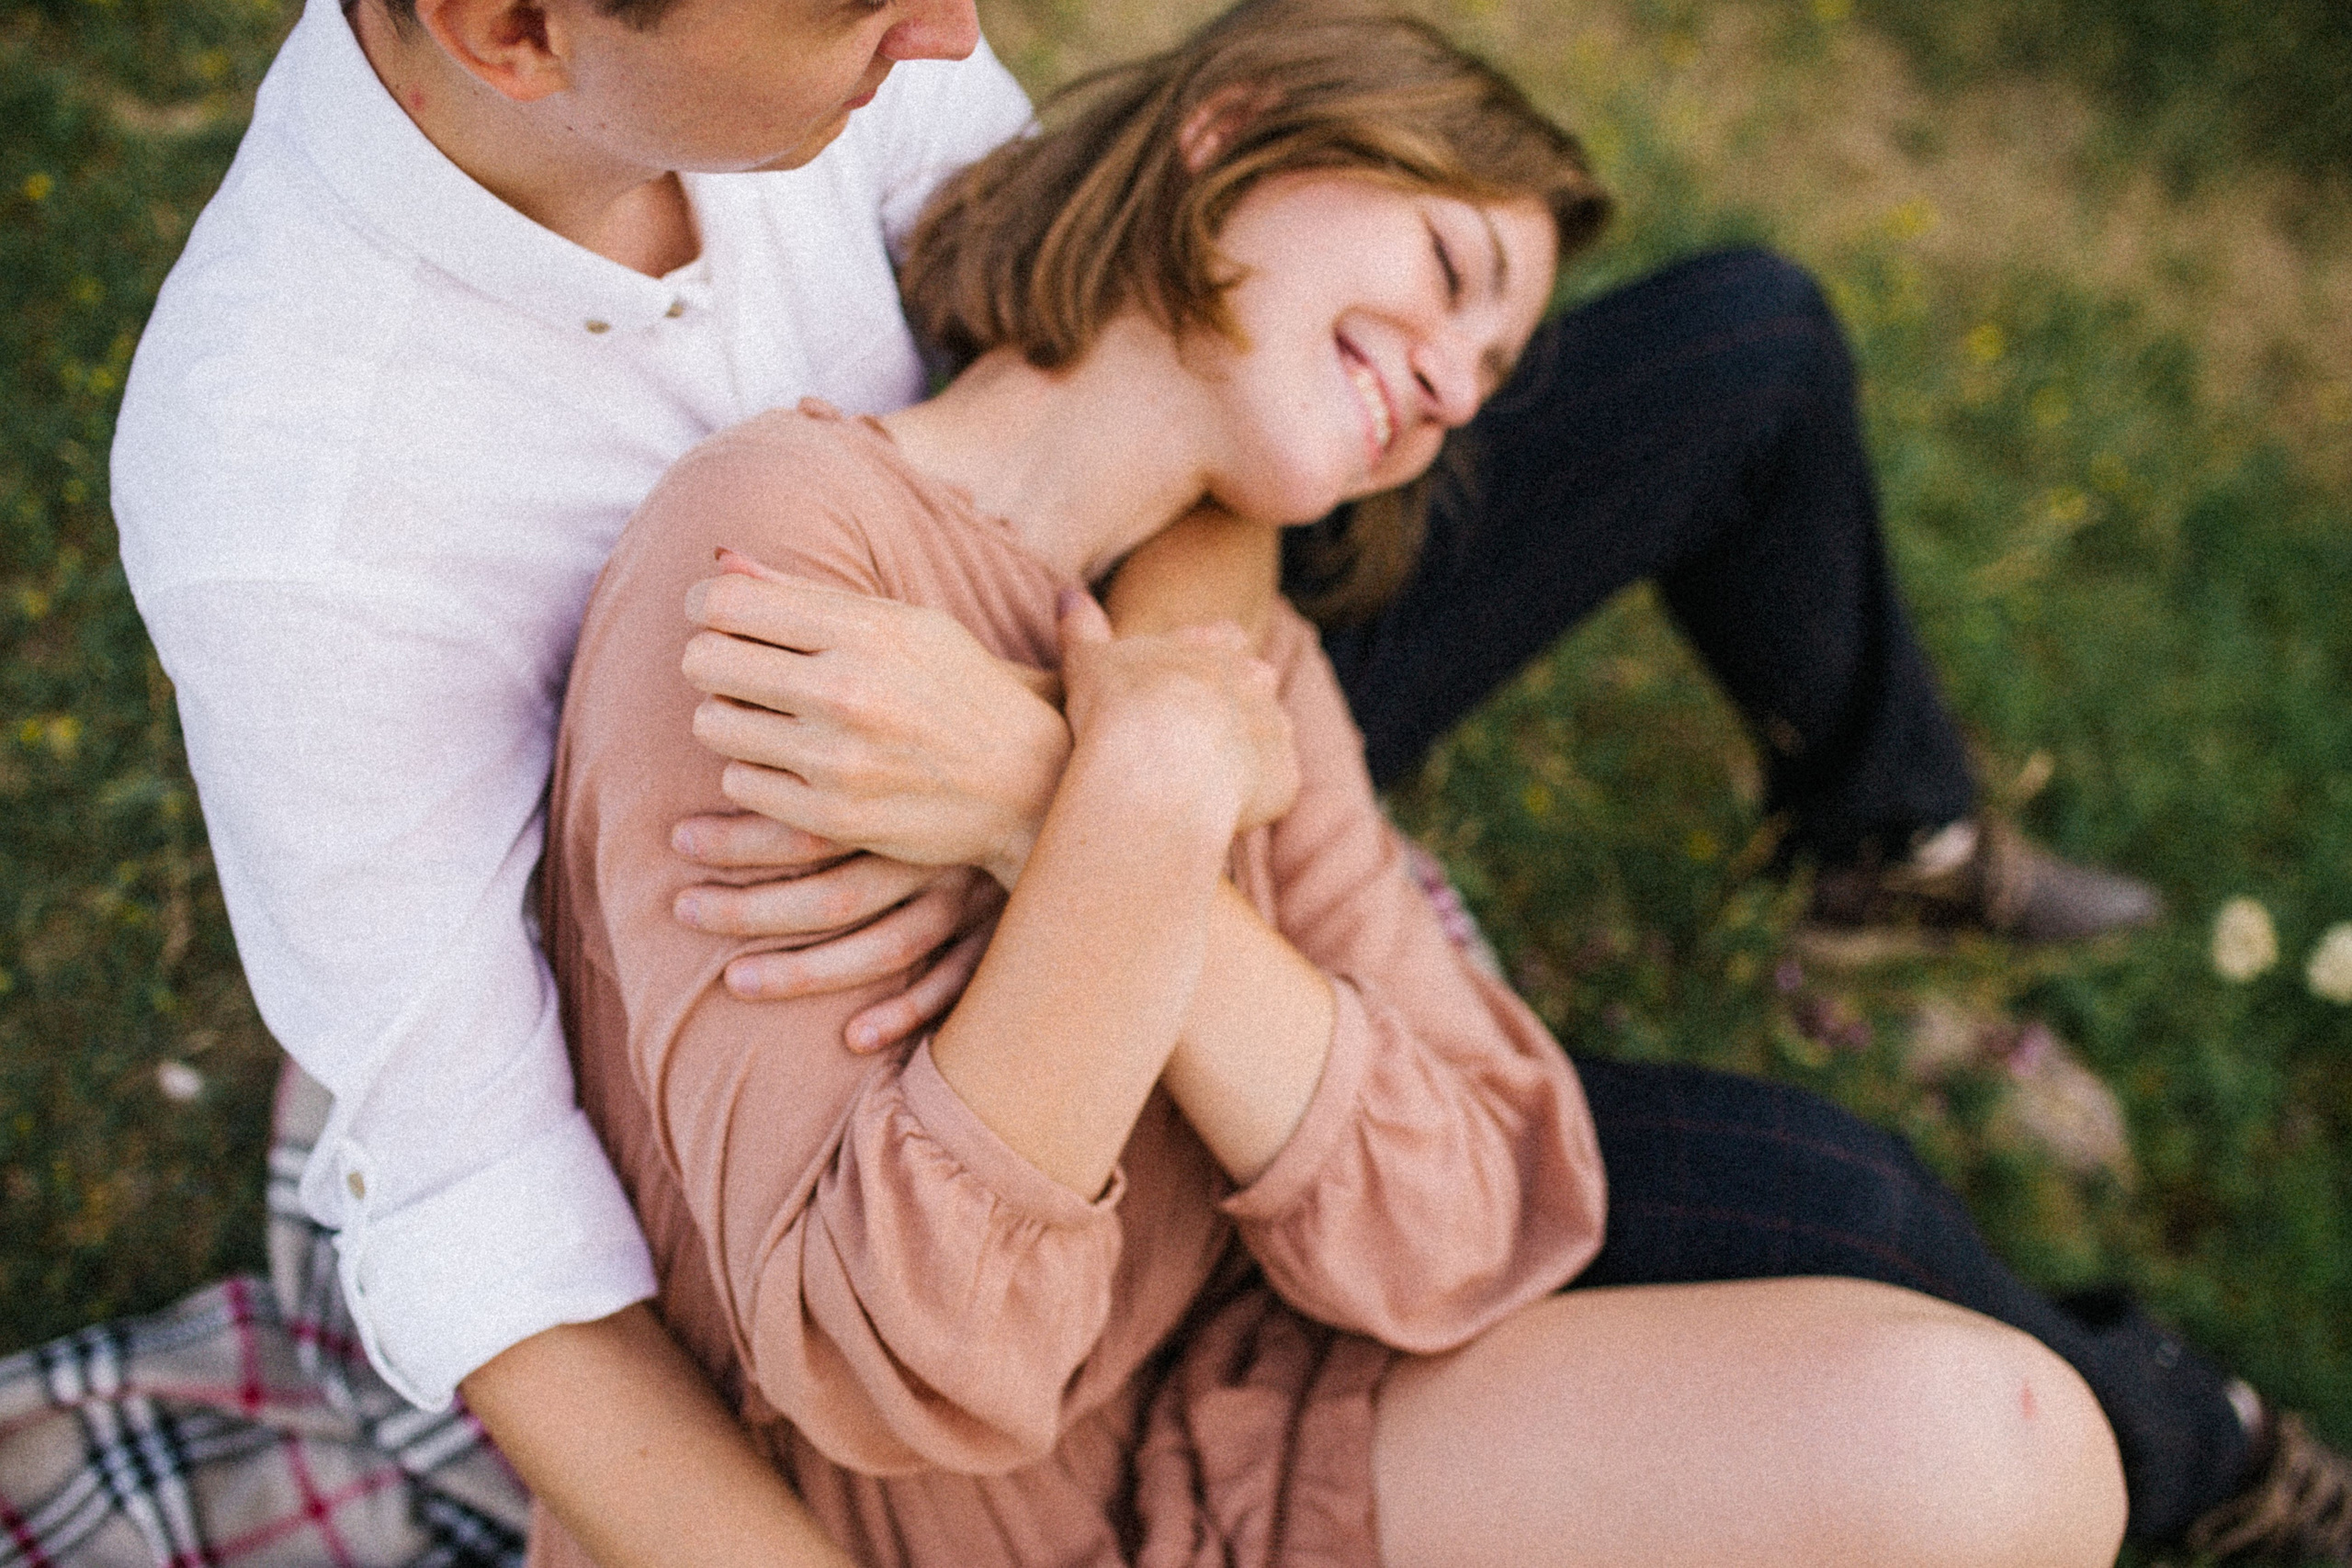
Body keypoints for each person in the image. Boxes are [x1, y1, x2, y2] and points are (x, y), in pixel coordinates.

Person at [103, 0, 2330, 1559]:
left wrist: (1118, 763)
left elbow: (1123, 324)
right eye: (869, 6)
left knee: (1738, 343)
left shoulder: (848, 51)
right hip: (840, 951)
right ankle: (2190, 1439)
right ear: (512, 28)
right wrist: (1132, 807)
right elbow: (486, 1223)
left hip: (1076, 690)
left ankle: (1892, 836)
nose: (950, 31)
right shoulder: (299, 493)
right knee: (1821, 1209)